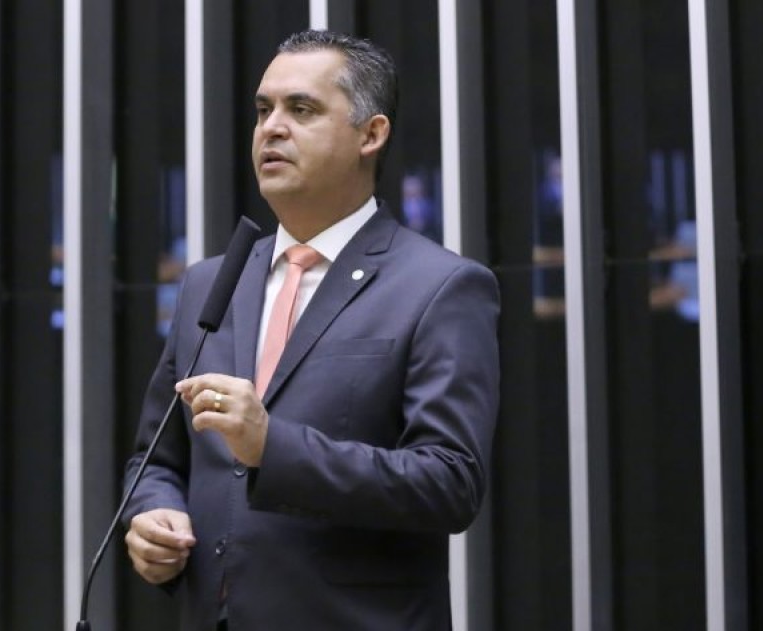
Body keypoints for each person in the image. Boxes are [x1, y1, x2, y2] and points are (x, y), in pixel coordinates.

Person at [122, 29, 500, 630]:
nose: (272, 128)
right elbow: (157, 458)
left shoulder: (440, 287)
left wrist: (272, 446)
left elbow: (449, 482)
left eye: (301, 110)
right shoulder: (210, 283)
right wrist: (152, 514)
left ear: (371, 135)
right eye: (263, 110)